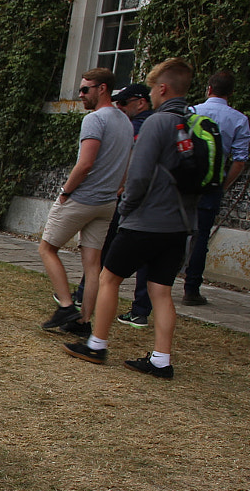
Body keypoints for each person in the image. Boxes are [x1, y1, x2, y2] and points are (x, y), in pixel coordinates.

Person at [64, 57, 200, 379]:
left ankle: (96, 343)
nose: (151, 95)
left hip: (145, 220)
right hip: (179, 224)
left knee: (110, 278)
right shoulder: (196, 121)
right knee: (161, 291)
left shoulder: (156, 122)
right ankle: (161, 360)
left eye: (153, 88)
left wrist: (126, 208)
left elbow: (138, 176)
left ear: (163, 88)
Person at [39, 69, 133, 337]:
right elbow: (127, 162)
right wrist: (118, 188)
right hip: (107, 203)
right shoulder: (125, 121)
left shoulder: (95, 120)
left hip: (83, 198)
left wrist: (65, 191)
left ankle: (67, 305)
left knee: (47, 249)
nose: (81, 95)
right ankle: (82, 322)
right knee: (93, 264)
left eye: (85, 90)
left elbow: (85, 163)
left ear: (102, 89)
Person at [178, 71, 250, 306]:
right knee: (200, 237)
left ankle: (160, 281)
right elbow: (239, 161)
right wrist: (223, 184)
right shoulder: (239, 119)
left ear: (209, 89)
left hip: (184, 181)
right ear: (231, 93)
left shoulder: (192, 112)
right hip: (212, 185)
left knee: (172, 229)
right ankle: (191, 289)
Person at [110, 83, 156, 326]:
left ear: (141, 102)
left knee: (108, 267)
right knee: (152, 268)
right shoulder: (172, 125)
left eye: (124, 103)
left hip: (133, 204)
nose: (120, 108)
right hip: (162, 211)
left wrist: (122, 193)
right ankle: (141, 309)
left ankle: (85, 306)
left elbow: (132, 166)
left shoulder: (139, 127)